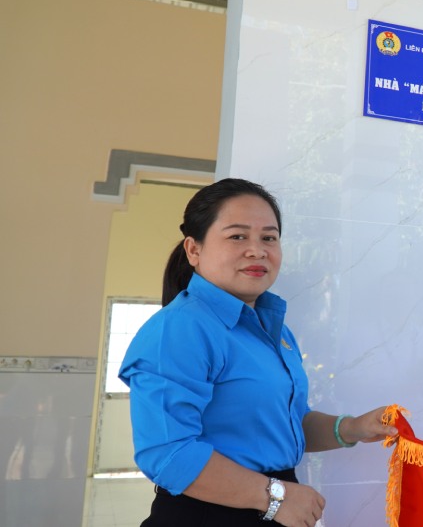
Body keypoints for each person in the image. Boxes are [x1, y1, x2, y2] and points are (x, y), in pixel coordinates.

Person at [119, 178, 397, 527]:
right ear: (194, 249)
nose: (257, 250)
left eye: (269, 237)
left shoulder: (272, 329)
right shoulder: (180, 328)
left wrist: (353, 428)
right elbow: (168, 453)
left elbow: (284, 424)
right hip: (207, 514)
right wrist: (276, 497)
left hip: (269, 504)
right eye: (237, 236)